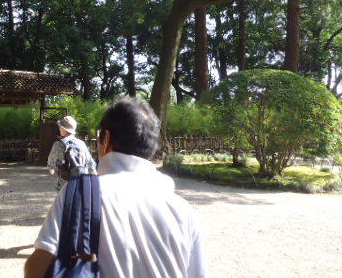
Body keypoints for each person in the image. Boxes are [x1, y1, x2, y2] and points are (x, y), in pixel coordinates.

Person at [25, 98, 209, 278]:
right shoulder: (183, 210)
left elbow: (36, 269)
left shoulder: (80, 194)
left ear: (106, 139)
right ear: (151, 147)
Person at [46, 115, 96, 190]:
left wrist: (57, 170)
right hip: (80, 184)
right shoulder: (81, 144)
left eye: (60, 127)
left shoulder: (57, 145)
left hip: (64, 186)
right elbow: (91, 163)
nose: (59, 128)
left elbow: (51, 166)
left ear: (64, 129)